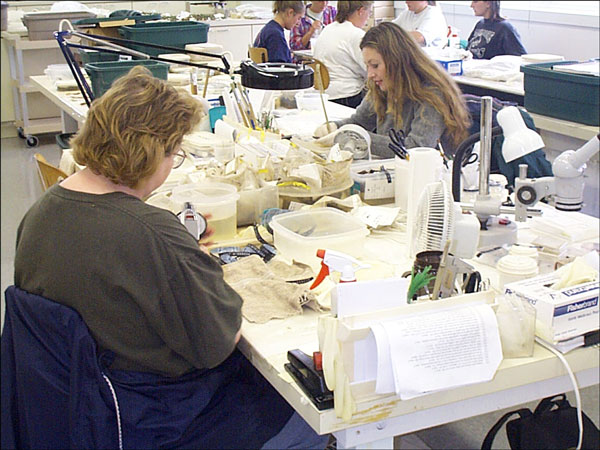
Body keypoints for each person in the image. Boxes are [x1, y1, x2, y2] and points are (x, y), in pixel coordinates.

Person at [13, 65, 328, 449]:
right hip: (149, 420)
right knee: (316, 414)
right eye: (175, 154)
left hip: (74, 411)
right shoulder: (151, 232)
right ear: (149, 153)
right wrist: (192, 260)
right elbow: (219, 341)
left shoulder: (40, 213)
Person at [314, 22, 471, 158]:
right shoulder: (383, 86)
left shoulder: (432, 92)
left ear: (396, 61)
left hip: (429, 178)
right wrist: (335, 127)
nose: (370, 74)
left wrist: (358, 138)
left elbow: (415, 148)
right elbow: (359, 122)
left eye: (375, 65)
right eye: (367, 65)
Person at [312, 1, 372, 108]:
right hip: (347, 96)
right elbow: (371, 70)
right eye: (369, 12)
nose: (368, 17)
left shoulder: (328, 29)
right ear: (361, 11)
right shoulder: (356, 35)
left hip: (324, 95)